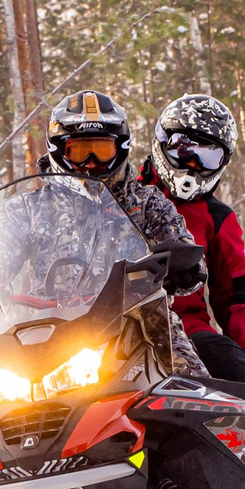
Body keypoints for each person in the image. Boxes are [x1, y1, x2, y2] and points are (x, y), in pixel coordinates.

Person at [140, 94, 245, 469]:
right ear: (162, 144)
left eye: (208, 157)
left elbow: (235, 292)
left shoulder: (215, 216)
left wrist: (243, 349)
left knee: (238, 370)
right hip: (110, 323)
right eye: (184, 150)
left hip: (185, 330)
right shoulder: (124, 196)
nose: (193, 165)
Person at [42, 91, 206, 378]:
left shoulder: (147, 203)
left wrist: (183, 265)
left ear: (120, 148)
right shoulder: (29, 212)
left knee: (193, 388)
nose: (91, 163)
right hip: (51, 332)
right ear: (59, 151)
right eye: (80, 152)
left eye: (102, 151)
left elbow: (182, 246)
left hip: (141, 324)